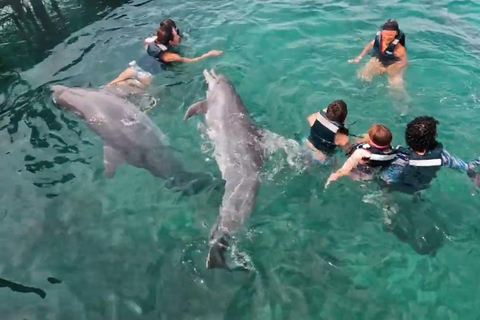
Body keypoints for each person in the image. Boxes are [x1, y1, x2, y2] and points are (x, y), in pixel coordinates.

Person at [106, 19, 222, 87]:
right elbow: (192, 61)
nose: (177, 34)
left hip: (135, 67)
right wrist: (209, 53)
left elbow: (148, 43)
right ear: (171, 41)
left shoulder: (151, 42)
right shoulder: (171, 56)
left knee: (112, 84)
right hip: (146, 77)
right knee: (138, 94)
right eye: (176, 34)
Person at [380, 116, 480, 193]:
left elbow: (387, 178)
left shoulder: (398, 156)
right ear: (433, 138)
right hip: (419, 188)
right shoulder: (442, 157)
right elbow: (464, 166)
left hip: (396, 188)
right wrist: (473, 171)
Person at [325, 124, 396, 186]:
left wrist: (334, 176)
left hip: (356, 176)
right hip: (370, 175)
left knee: (343, 140)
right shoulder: (391, 152)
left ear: (371, 141)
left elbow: (345, 168)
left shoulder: (360, 153)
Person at [349, 19, 407, 89]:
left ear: (396, 34)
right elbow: (368, 47)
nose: (387, 37)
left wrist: (392, 69)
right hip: (378, 60)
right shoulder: (378, 40)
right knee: (363, 76)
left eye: (391, 35)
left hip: (393, 64)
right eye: (385, 34)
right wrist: (359, 57)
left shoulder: (399, 49)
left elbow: (403, 63)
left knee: (396, 86)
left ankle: (403, 99)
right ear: (382, 33)